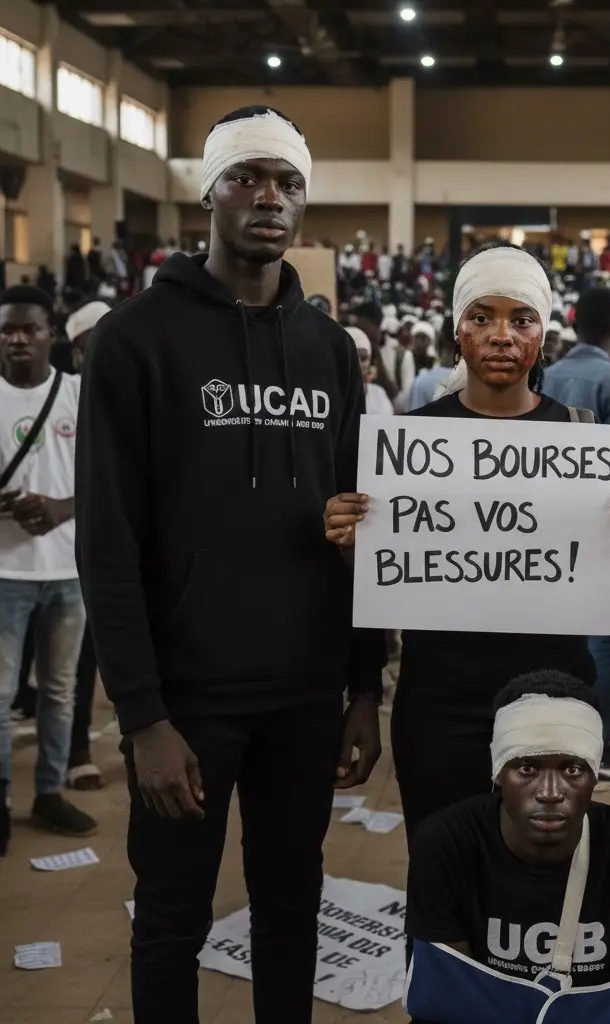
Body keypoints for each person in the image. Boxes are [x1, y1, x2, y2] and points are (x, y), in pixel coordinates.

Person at [76, 106, 385, 1023]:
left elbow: (363, 530)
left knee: (293, 910)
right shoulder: (136, 341)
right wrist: (142, 718)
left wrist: (362, 688)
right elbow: (107, 540)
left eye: (288, 183)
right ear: (209, 191)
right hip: (188, 702)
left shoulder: (329, 348)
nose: (268, 198)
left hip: (303, 698)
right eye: (248, 177)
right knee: (172, 919)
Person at [324, 241, 610, 845]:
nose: (502, 336)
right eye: (482, 317)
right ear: (458, 331)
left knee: (540, 887)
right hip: (439, 705)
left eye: (521, 318)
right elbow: (381, 588)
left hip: (553, 700)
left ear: (544, 333)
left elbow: (604, 593)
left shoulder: (579, 439)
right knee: (441, 875)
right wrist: (355, 551)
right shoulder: (408, 444)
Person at [405, 670, 610, 1023]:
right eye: (527, 767)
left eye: (572, 769)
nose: (550, 792)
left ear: (596, 774)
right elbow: (446, 1007)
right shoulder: (445, 844)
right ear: (498, 772)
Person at [543, 286, 610, 786]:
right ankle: (598, 749)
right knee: (605, 645)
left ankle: (554, 738)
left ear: (571, 318)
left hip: (544, 528)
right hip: (603, 530)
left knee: (554, 636)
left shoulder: (549, 373)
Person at [0, 286, 96, 858]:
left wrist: (60, 508)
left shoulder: (78, 395)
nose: (16, 338)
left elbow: (111, 476)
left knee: (60, 691)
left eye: (28, 329)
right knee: (2, 695)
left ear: (50, 335)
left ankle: (50, 791)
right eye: (7, 330)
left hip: (67, 567)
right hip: (5, 571)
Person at [64, 300, 112, 791]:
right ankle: (76, 747)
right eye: (90, 341)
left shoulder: (136, 385)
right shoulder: (65, 395)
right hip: (56, 556)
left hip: (122, 550)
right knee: (74, 666)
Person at [407, 314, 455, 411]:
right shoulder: (483, 385)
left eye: (424, 338)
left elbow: (414, 423)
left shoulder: (423, 382)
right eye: (418, 337)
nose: (420, 342)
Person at [349, 326, 394, 415]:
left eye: (363, 358)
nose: (358, 363)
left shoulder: (378, 395)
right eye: (352, 357)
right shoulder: (329, 395)